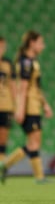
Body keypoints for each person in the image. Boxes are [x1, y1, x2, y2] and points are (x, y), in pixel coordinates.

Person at [0, 31, 53, 183]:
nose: (43, 46)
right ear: (32, 43)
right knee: (34, 143)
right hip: (29, 107)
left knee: (34, 143)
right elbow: (22, 88)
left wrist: (45, 104)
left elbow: (35, 86)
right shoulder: (26, 62)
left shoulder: (31, 61)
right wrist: (20, 109)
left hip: (35, 105)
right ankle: (8, 165)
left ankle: (37, 176)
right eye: (40, 42)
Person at [0, 37, 16, 167]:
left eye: (3, 47)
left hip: (5, 105)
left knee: (3, 137)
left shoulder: (8, 63)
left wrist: (16, 104)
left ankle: (1, 165)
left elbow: (12, 85)